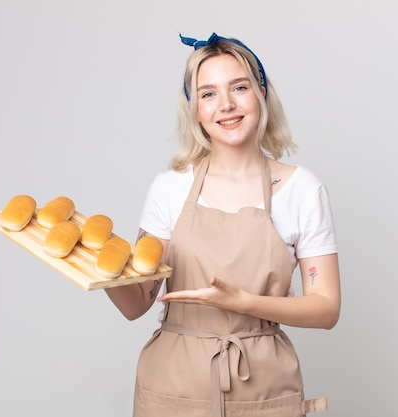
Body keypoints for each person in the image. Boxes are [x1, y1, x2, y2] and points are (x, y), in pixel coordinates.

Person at [104, 32, 341, 417]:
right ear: (194, 108)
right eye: (208, 93)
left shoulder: (302, 190)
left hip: (264, 386)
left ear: (261, 94)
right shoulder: (170, 187)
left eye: (239, 87)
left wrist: (243, 302)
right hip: (173, 386)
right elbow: (137, 304)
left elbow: (327, 308)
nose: (226, 105)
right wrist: (99, 270)